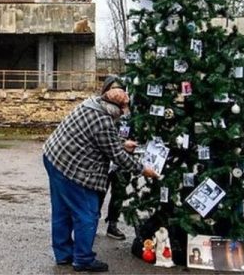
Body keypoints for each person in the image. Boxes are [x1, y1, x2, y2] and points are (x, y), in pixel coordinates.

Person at [43, 86, 158, 272]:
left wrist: (122, 143)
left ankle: (63, 254)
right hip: (70, 168)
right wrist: (144, 170)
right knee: (87, 213)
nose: (124, 113)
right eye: (123, 109)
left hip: (53, 157)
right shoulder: (103, 120)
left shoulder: (91, 104)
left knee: (62, 211)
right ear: (114, 107)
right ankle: (82, 259)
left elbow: (96, 137)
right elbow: (117, 156)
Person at [97, 75, 132, 241]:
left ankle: (112, 224)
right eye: (113, 89)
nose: (116, 92)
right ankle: (90, 222)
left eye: (120, 89)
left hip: (122, 159)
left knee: (119, 192)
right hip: (103, 158)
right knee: (98, 192)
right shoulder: (101, 108)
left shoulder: (128, 110)